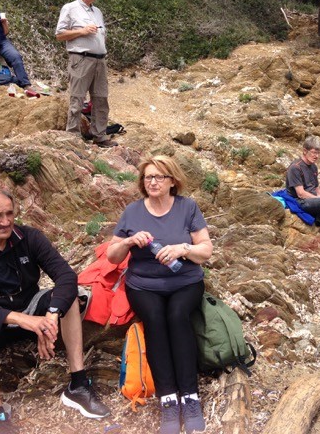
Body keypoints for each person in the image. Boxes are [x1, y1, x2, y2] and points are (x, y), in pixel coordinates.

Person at [0, 189, 110, 434]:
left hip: (31, 308)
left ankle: (78, 384)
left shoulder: (29, 237)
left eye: (10, 213)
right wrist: (23, 320)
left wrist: (51, 316)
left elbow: (66, 275)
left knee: (69, 298)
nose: (6, 222)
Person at [106, 156, 213, 434]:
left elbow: (206, 250)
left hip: (185, 281)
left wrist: (183, 249)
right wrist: (128, 241)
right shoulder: (132, 212)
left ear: (172, 181)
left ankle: (189, 396)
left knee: (177, 316)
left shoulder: (187, 207)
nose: (152, 182)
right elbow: (112, 256)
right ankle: (168, 398)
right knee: (154, 318)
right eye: (148, 177)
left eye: (159, 177)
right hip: (144, 285)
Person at [55, 0, 118, 148]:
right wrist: (81, 31)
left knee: (101, 98)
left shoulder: (97, 11)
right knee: (77, 99)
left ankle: (100, 135)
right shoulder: (70, 8)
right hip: (80, 59)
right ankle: (73, 136)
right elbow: (60, 35)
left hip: (100, 61)